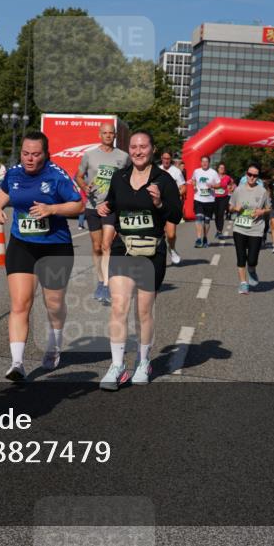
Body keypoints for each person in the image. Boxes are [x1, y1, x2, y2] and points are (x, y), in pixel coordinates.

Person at [0, 131, 84, 381]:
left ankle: (55, 343)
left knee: (53, 304)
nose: (29, 159)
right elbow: (5, 191)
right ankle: (17, 363)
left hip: (55, 247)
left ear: (45, 154)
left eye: (35, 154)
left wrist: (52, 208)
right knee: (20, 303)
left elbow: (78, 205)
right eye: (25, 153)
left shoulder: (56, 176)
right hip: (22, 245)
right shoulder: (13, 173)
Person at [96, 131, 182, 390]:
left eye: (143, 146)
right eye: (133, 147)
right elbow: (112, 203)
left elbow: (175, 216)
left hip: (151, 252)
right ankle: (117, 365)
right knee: (118, 306)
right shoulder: (119, 177)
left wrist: (158, 203)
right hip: (124, 248)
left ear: (152, 149)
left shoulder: (164, 180)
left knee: (143, 311)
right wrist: (105, 207)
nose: (138, 151)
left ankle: (143, 362)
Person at [75, 123, 130, 305]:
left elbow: (129, 178)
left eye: (110, 133)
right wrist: (84, 186)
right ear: (99, 135)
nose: (108, 136)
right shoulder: (90, 155)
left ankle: (107, 285)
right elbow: (79, 175)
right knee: (97, 247)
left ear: (114, 135)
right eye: (104, 133)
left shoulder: (123, 157)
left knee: (107, 245)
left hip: (110, 206)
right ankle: (100, 280)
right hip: (92, 206)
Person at [229, 163, 271, 294]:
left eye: (255, 175)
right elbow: (230, 206)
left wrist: (261, 212)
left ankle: (252, 270)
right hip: (240, 228)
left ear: (257, 177)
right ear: (246, 174)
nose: (252, 177)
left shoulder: (262, 191)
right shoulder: (238, 189)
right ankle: (243, 283)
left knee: (252, 259)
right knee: (241, 257)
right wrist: (235, 208)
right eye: (250, 174)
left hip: (256, 229)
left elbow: (269, 208)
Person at [158, 151, 186, 265]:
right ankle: (158, 257)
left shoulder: (176, 171)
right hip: (157, 205)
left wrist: (175, 194)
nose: (166, 160)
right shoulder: (156, 170)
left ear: (171, 160)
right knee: (158, 233)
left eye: (168, 158)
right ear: (161, 158)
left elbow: (183, 187)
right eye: (164, 158)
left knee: (171, 234)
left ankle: (172, 249)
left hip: (170, 206)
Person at [190, 156, 219, 248]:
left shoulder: (213, 173)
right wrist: (194, 186)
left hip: (210, 200)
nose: (204, 163)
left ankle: (205, 237)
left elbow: (219, 184)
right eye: (203, 161)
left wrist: (213, 186)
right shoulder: (197, 171)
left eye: (206, 161)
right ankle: (199, 239)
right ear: (200, 162)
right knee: (198, 217)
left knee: (206, 221)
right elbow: (193, 179)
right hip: (198, 198)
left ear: (209, 163)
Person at [213, 162, 235, 241]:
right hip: (214, 198)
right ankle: (218, 229)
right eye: (220, 168)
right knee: (216, 215)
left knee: (221, 214)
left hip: (224, 198)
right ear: (218, 169)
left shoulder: (227, 177)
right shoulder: (214, 177)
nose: (222, 169)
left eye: (223, 168)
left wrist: (231, 189)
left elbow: (232, 184)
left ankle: (220, 231)